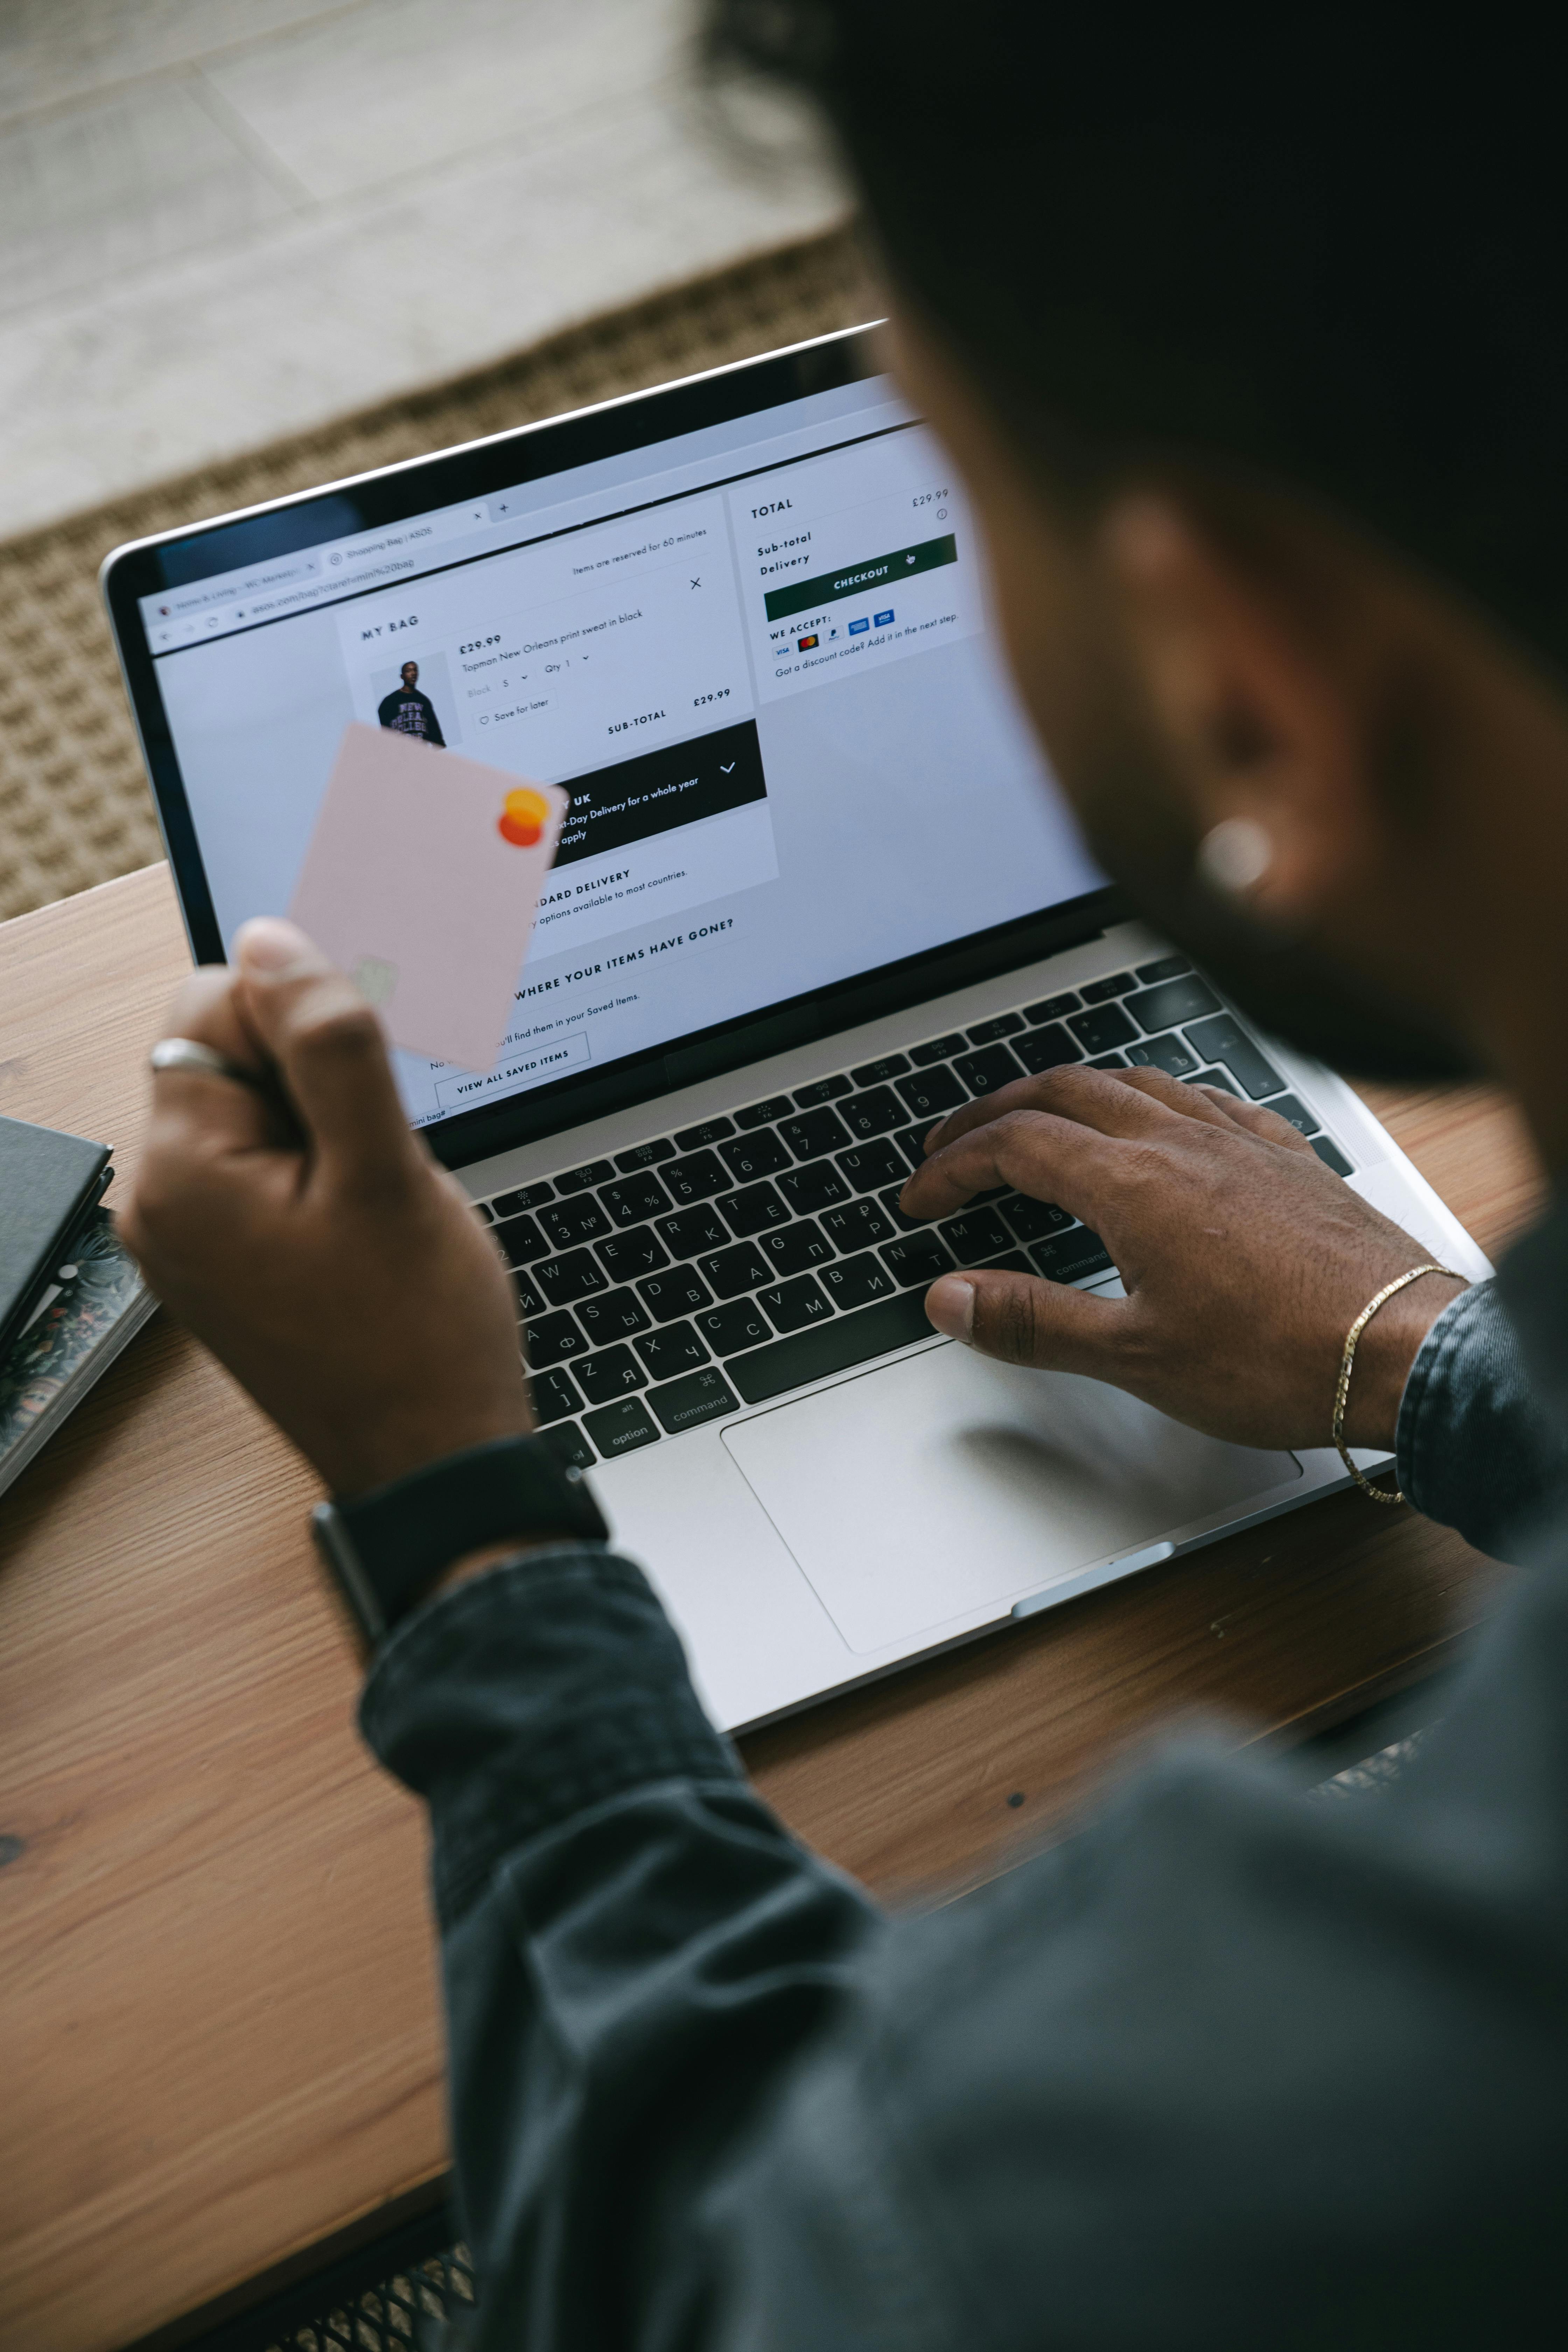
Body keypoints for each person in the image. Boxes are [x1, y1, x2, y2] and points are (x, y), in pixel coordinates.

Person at [123, 12, 1568, 2342]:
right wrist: (1424, 1355)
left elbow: (719, 2275)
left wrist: (453, 1502)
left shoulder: (1294, 2091)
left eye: (958, 492)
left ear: (1246, 683)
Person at [377, 659, 446, 747]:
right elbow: (385, 731)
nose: (413, 673)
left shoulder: (424, 701)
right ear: (402, 676)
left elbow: (435, 731)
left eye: (415, 670)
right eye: (409, 671)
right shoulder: (390, 701)